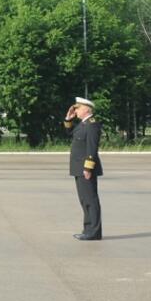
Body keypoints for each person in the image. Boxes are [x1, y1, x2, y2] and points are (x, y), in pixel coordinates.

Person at [64, 97, 103, 241]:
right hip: (78, 167)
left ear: (87, 109)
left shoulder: (92, 125)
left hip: (85, 168)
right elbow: (69, 133)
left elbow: (92, 148)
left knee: (90, 200)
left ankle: (94, 231)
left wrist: (88, 168)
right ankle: (88, 229)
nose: (76, 111)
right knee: (84, 200)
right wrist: (68, 119)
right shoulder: (83, 124)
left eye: (78, 108)